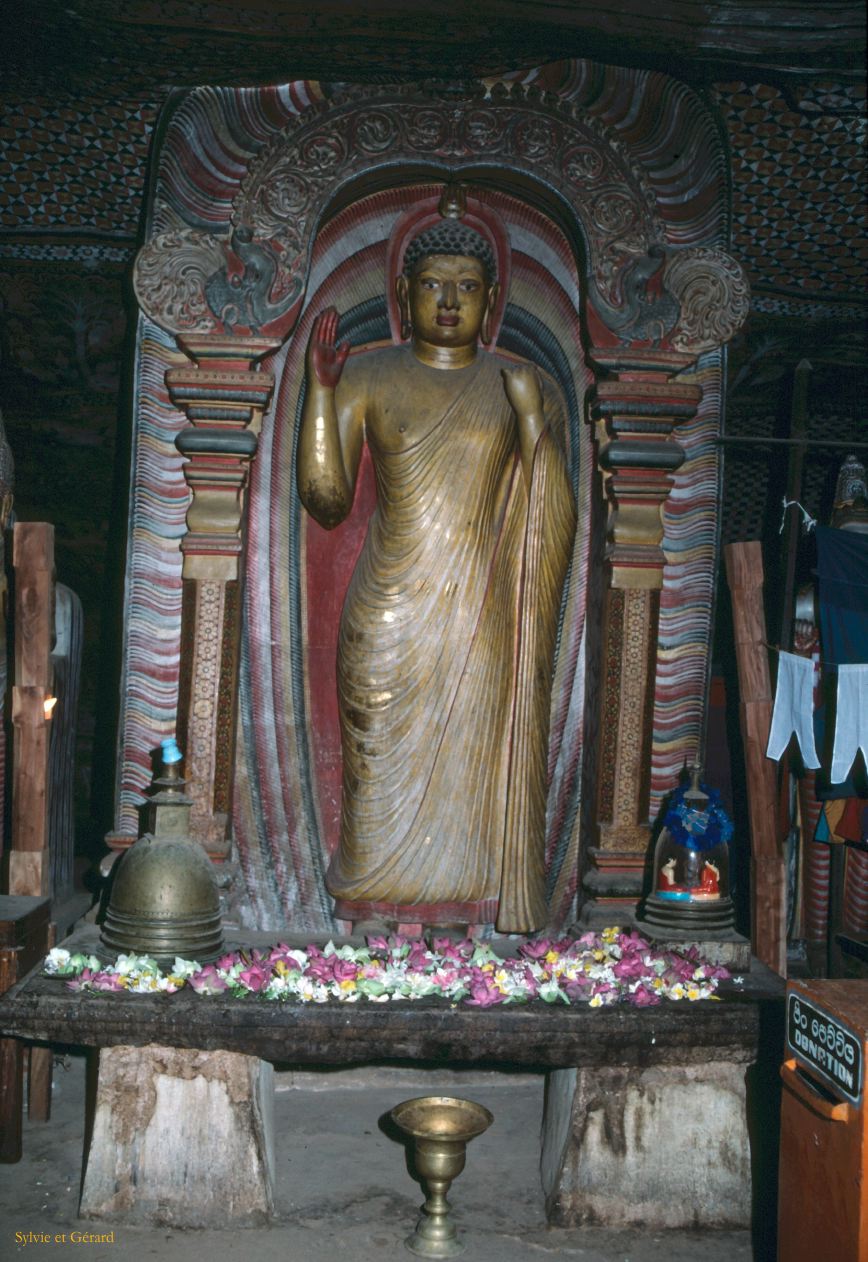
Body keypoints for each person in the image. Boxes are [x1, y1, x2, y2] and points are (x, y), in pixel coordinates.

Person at [297, 205, 576, 932]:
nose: (449, 302)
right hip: (388, 609)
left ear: (493, 299)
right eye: (431, 285)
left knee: (469, 765)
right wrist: (321, 393)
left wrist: (533, 423)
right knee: (375, 765)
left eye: (467, 287)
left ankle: (462, 912)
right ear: (402, 294)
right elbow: (326, 500)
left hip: (478, 616)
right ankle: (371, 908)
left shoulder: (522, 385)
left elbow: (554, 516)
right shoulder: (368, 376)